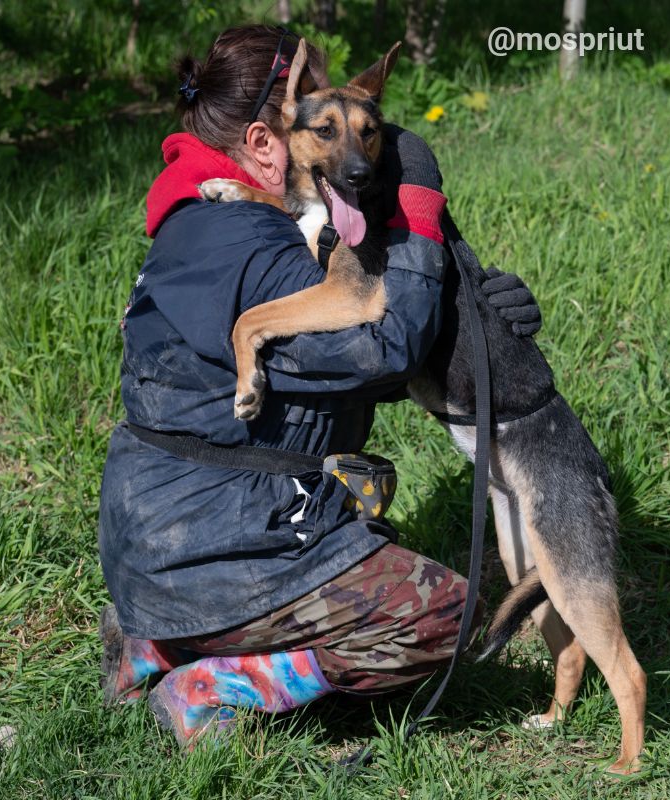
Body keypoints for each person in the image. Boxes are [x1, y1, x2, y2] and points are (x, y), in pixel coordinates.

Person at [98, 25, 542, 748]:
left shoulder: (200, 218)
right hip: (220, 545)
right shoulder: (259, 248)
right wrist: (418, 195)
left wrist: (478, 317)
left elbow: (337, 369)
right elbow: (385, 340)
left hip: (153, 541)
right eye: (314, 122)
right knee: (444, 617)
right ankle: (211, 684)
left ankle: (154, 641)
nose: (356, 154)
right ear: (269, 141)